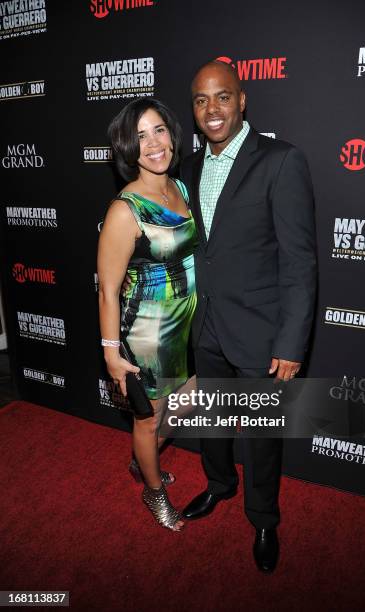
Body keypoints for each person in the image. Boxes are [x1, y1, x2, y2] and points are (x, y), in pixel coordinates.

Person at [180, 61, 317, 571]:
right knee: (213, 420)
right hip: (206, 324)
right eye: (199, 100)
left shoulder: (281, 161)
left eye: (221, 98)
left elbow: (300, 261)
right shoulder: (188, 170)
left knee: (260, 434)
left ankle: (263, 518)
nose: (210, 109)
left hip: (261, 330)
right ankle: (219, 484)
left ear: (242, 100)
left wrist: (291, 342)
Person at [97, 98, 198, 532]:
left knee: (190, 398)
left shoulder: (181, 188)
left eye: (159, 130)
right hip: (148, 334)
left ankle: (145, 460)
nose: (154, 143)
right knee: (150, 415)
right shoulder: (125, 210)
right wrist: (111, 353)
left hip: (189, 323)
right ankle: (153, 490)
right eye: (140, 136)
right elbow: (108, 289)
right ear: (127, 148)